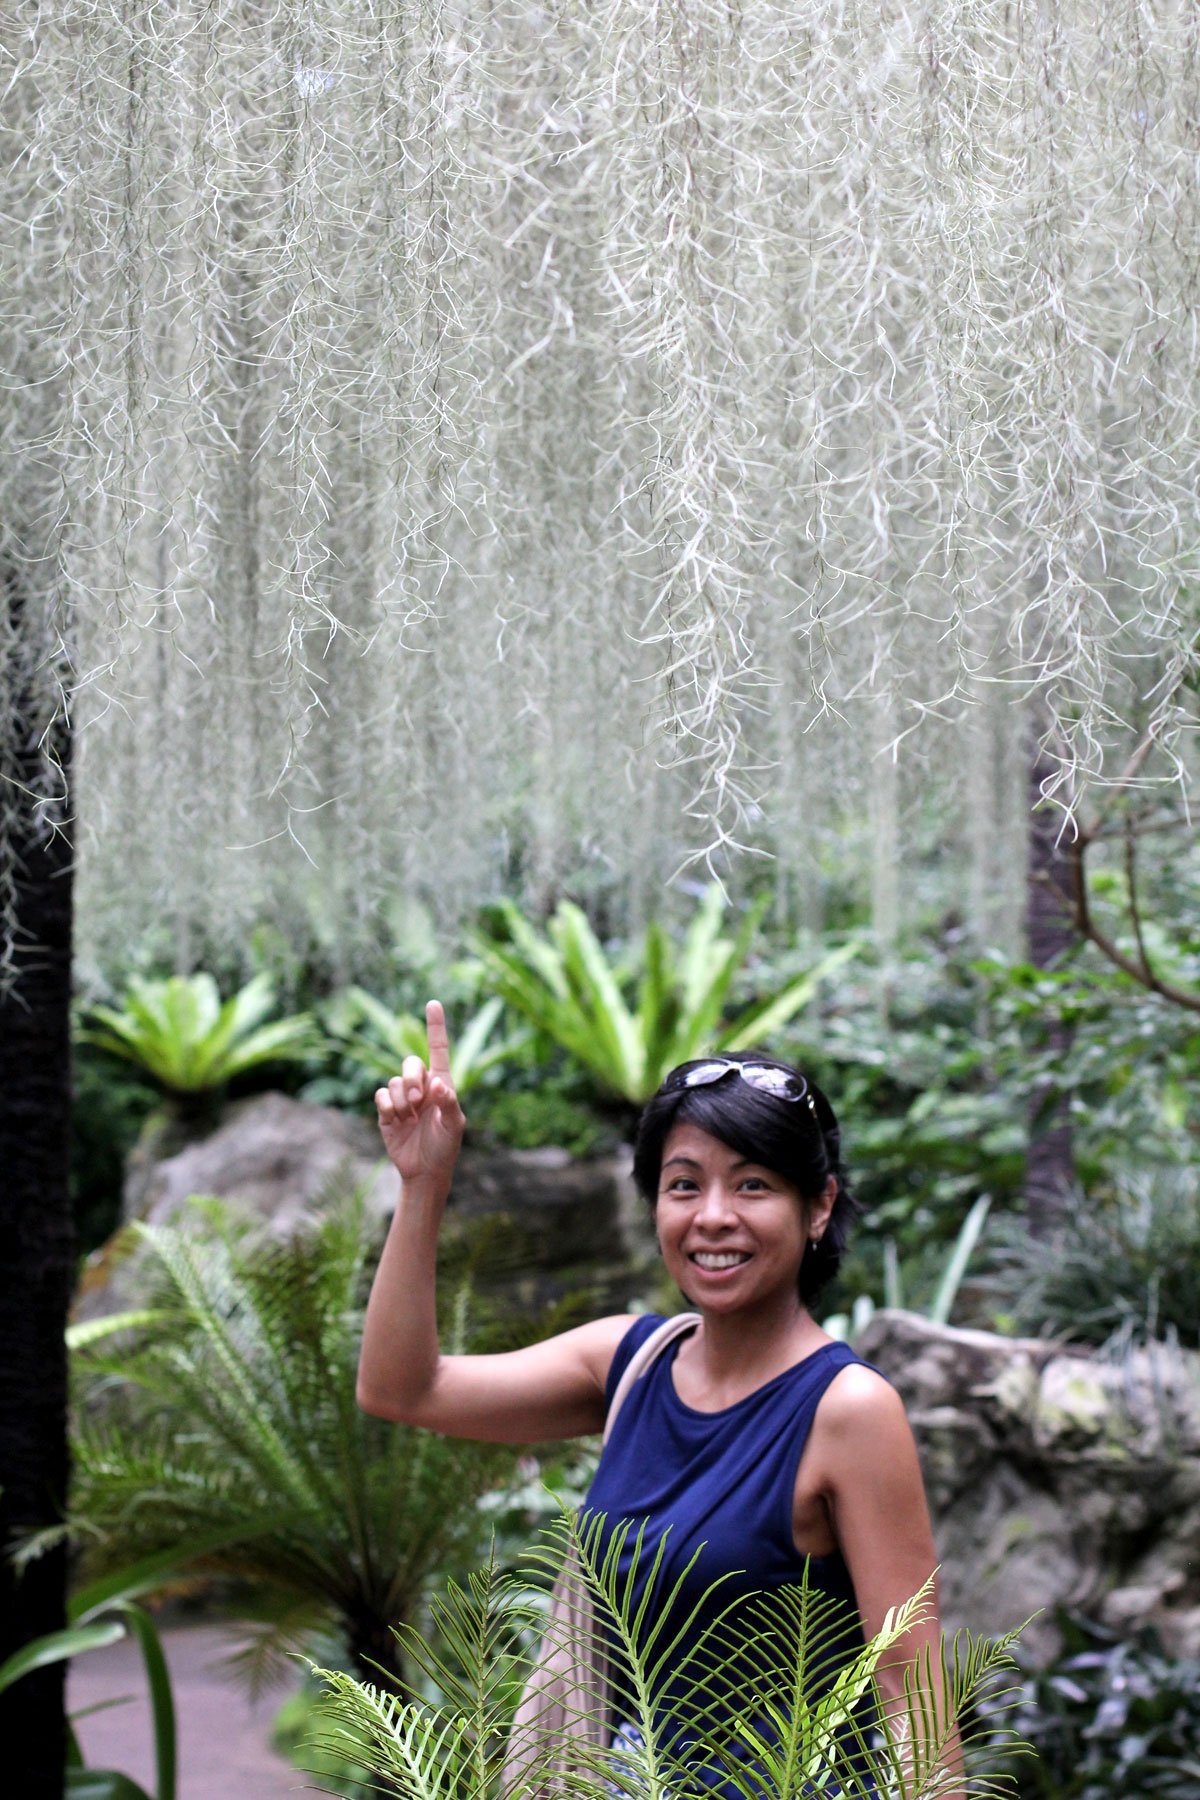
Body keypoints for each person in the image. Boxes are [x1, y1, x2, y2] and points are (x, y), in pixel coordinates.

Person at [358, 1001, 961, 1797]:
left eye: (753, 1185)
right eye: (685, 1184)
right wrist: (425, 1181)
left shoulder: (848, 1410)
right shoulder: (629, 1362)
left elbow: (911, 1700)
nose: (714, 1216)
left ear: (817, 1207)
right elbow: (404, 1388)